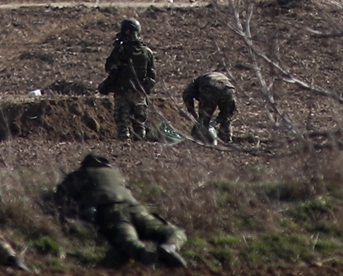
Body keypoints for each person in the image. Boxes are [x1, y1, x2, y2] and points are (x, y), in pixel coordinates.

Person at [54, 153, 187, 268]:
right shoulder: (117, 174)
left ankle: (143, 254)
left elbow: (59, 196)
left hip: (112, 211)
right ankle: (170, 246)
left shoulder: (80, 175)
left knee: (126, 237)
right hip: (135, 208)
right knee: (172, 231)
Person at [98, 18, 157, 140]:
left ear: (127, 31)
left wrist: (116, 50)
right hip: (139, 94)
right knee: (140, 127)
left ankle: (124, 153)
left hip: (122, 92)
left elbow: (109, 68)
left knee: (123, 128)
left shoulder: (121, 50)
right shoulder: (147, 52)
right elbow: (152, 76)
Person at [181, 71, 237, 145]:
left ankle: (200, 140)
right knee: (226, 118)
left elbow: (186, 94)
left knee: (204, 119)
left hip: (210, 87)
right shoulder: (211, 77)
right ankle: (226, 141)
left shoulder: (195, 82)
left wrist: (191, 111)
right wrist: (218, 120)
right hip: (229, 89)